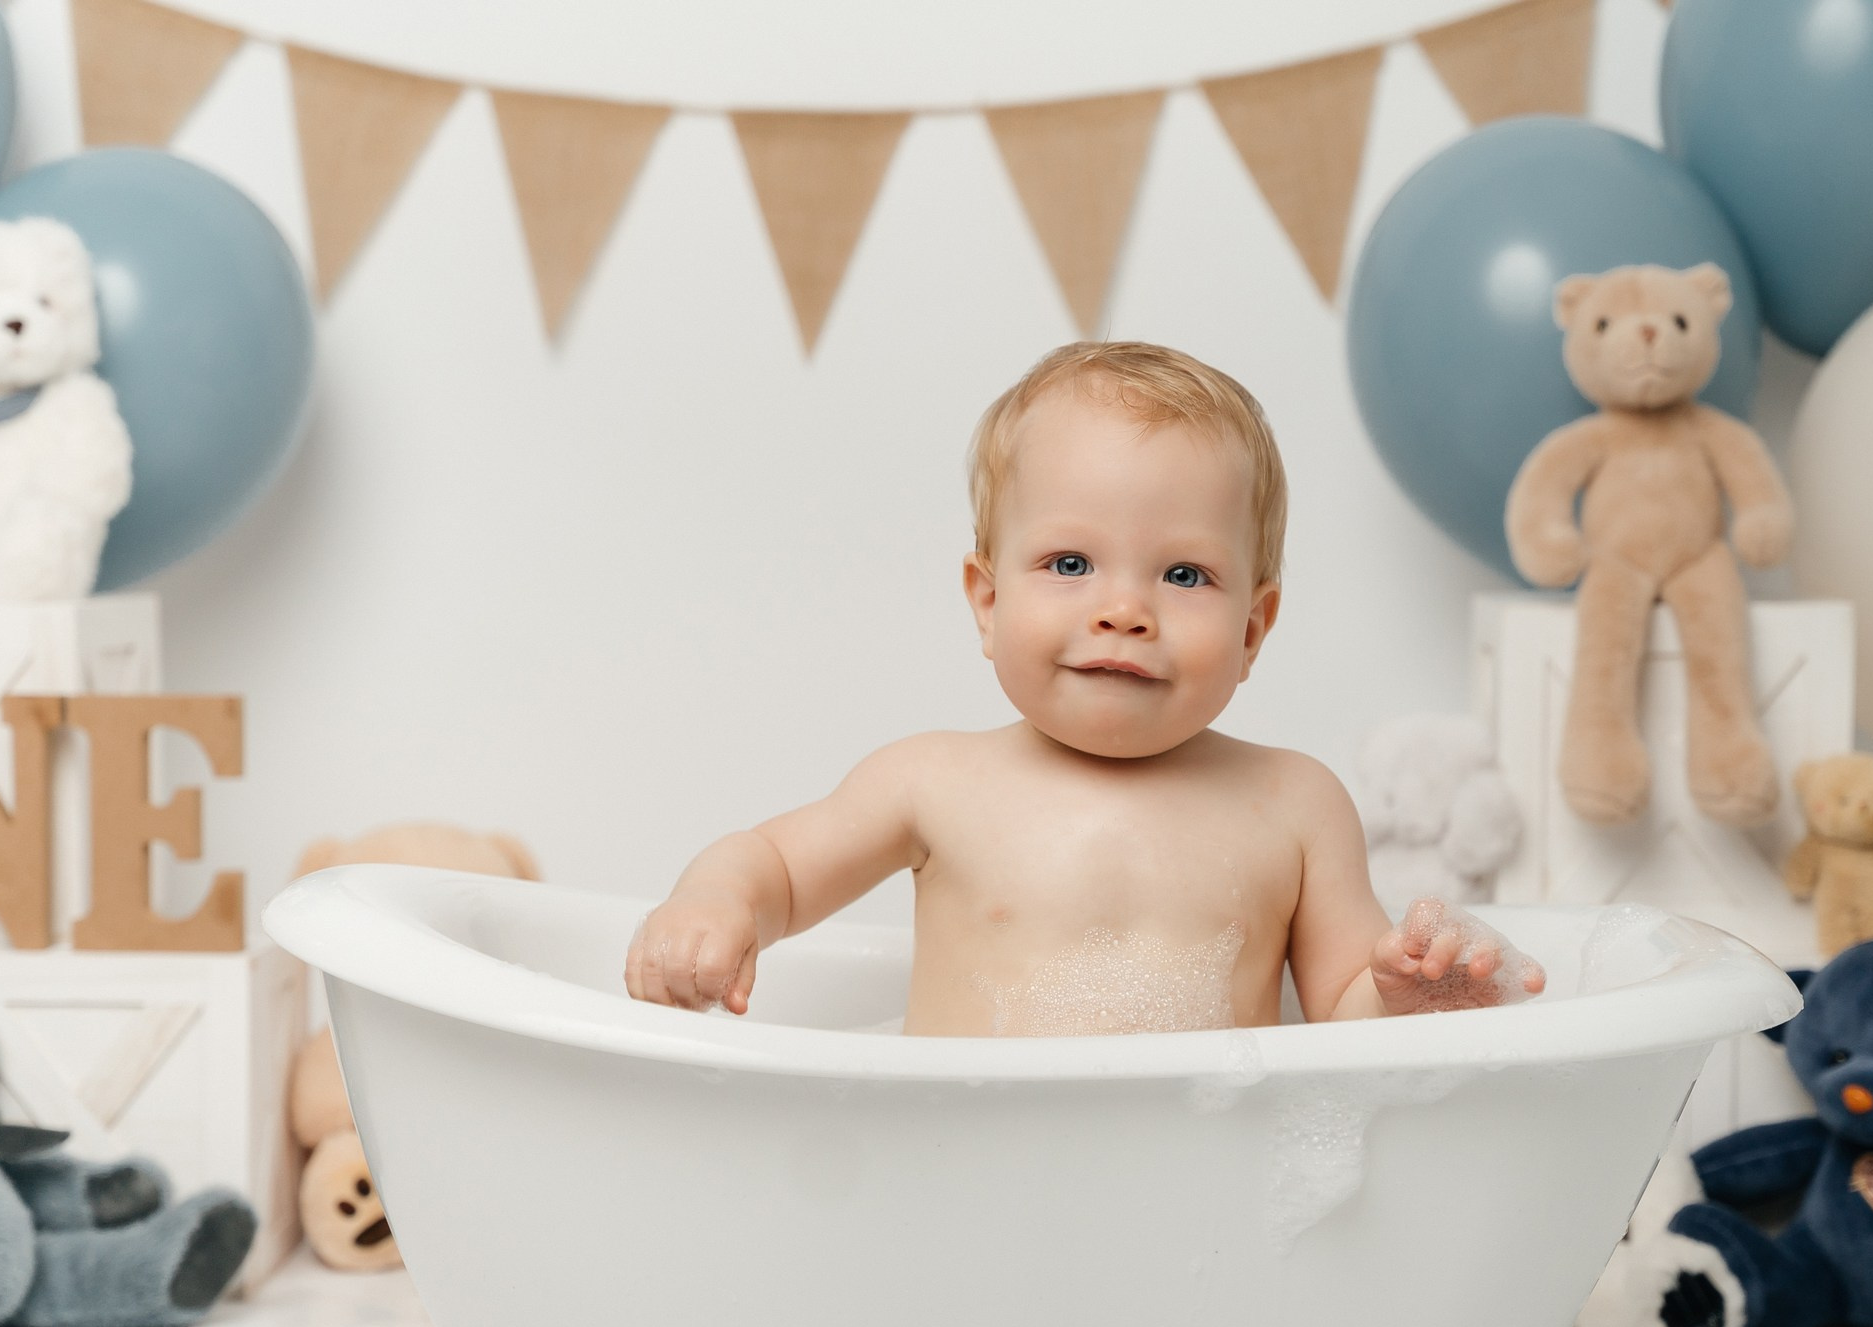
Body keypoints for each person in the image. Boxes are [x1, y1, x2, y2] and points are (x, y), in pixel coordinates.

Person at [627, 342, 1541, 1036]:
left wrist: (1411, 997)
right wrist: (715, 902)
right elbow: (777, 868)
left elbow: (1341, 1016)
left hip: (1205, 1215)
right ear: (987, 602)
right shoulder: (931, 783)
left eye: (1184, 576)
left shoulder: (1297, 805)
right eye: (1071, 562)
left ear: (1254, 629)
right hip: (962, 1184)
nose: (1124, 609)